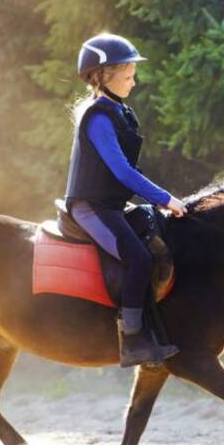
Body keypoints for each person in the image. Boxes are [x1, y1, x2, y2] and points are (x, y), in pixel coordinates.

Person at [64, 32, 187, 367]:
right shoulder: (99, 118)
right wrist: (164, 198)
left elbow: (130, 169)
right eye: (128, 76)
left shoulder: (121, 111)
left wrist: (158, 203)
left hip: (112, 204)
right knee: (139, 259)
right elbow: (122, 172)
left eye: (134, 76)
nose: (134, 82)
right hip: (91, 206)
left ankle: (155, 328)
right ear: (104, 77)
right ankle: (132, 340)